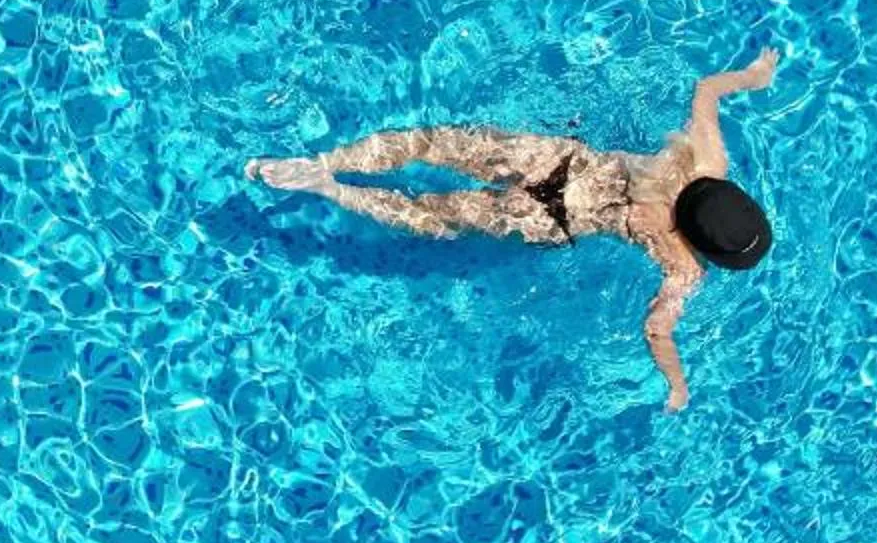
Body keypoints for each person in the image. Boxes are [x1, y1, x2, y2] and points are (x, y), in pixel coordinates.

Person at [244, 49, 779, 409]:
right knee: (435, 218)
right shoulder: (684, 264)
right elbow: (656, 330)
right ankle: (331, 190)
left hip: (558, 163)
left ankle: (329, 159)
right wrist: (677, 384)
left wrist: (751, 78)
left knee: (432, 143)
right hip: (551, 218)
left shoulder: (706, 160)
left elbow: (707, 89)